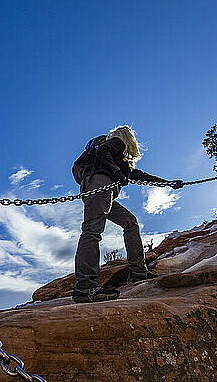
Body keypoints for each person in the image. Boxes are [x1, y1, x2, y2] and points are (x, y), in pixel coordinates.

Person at [72, 125, 184, 303]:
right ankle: (85, 286)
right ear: (127, 137)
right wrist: (117, 173)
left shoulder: (117, 158)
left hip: (99, 189)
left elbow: (138, 174)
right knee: (92, 230)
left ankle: (138, 271)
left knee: (130, 222)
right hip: (100, 186)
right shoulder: (115, 143)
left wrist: (167, 183)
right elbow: (102, 151)